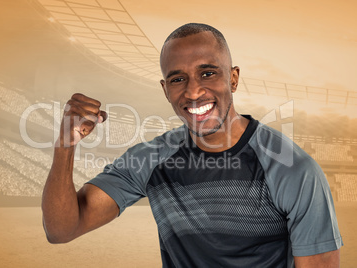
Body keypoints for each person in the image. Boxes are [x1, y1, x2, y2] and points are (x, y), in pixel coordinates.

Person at [42, 23, 343, 267]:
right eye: (177, 79)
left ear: (233, 78)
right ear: (165, 89)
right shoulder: (149, 160)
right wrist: (65, 146)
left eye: (208, 73)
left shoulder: (291, 167)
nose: (194, 91)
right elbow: (62, 230)